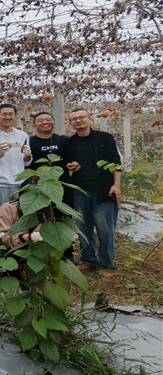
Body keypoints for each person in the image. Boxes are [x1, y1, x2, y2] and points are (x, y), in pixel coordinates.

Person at [64, 109, 122, 269]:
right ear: (70, 123)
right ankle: (88, 259)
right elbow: (68, 163)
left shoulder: (105, 138)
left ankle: (106, 262)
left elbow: (116, 163)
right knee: (83, 228)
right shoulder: (70, 142)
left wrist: (116, 185)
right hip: (80, 190)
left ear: (90, 119)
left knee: (105, 228)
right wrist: (70, 166)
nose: (78, 120)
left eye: (81, 117)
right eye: (74, 119)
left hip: (104, 189)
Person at [0, 103, 32, 213]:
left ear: (15, 116)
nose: (8, 117)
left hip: (20, 183)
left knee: (20, 216)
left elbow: (26, 162)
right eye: (4, 114)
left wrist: (28, 155)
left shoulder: (22, 135)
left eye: (11, 114)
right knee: (2, 216)